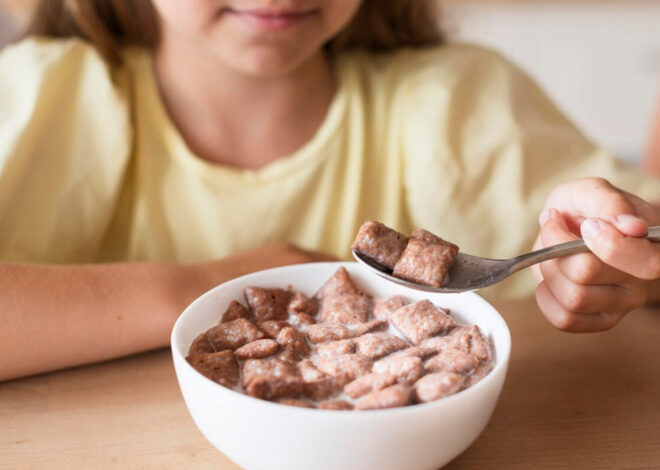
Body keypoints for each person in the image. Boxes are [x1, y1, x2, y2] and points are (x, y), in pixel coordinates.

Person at [0, 0, 658, 382]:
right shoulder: (43, 99)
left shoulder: (462, 102)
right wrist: (227, 287)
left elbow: (631, 248)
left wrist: (622, 260)